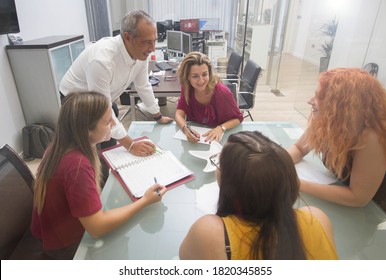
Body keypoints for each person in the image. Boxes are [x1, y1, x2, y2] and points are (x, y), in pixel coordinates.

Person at [31, 91, 167, 259]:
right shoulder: (77, 166)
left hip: (52, 230)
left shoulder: (59, 146)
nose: (113, 124)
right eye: (107, 121)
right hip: (65, 245)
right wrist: (145, 201)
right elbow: (97, 227)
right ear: (87, 129)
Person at [180, 131, 338, 260]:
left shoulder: (209, 231)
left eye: (220, 163)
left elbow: (185, 259)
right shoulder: (318, 218)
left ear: (230, 185)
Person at [59, 10, 173, 156]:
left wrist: (158, 116)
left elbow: (143, 86)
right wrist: (131, 145)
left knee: (108, 136)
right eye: (146, 42)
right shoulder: (102, 60)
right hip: (76, 101)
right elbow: (102, 108)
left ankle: (108, 159)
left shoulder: (140, 54)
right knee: (86, 149)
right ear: (127, 37)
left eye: (154, 40)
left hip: (103, 99)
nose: (152, 48)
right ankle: (99, 172)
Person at [287, 68, 386, 214]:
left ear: (341, 106)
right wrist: (277, 163)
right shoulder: (330, 121)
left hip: (373, 211)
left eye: (319, 97)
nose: (310, 101)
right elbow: (299, 148)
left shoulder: (371, 137)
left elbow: (358, 198)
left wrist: (294, 183)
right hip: (339, 196)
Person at [175, 52, 243, 143]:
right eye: (195, 76)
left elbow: (238, 118)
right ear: (187, 77)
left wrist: (221, 128)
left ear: (209, 73)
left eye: (204, 74)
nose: (201, 80)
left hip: (218, 140)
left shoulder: (222, 92)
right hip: (199, 139)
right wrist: (186, 129)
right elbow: (179, 113)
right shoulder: (187, 87)